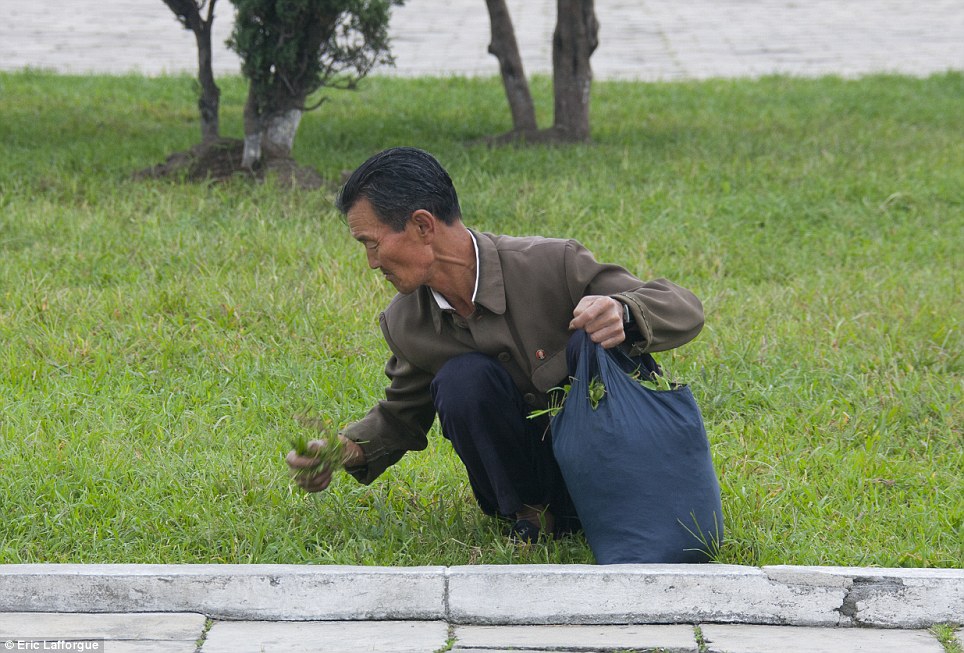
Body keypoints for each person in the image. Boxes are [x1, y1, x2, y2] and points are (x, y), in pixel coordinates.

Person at [286, 146, 704, 541]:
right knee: (462, 379)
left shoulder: (551, 263)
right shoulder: (406, 321)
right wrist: (341, 451)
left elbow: (682, 307)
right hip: (538, 490)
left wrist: (624, 312)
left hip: (619, 473)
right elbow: (401, 416)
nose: (372, 263)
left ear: (422, 225)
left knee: (588, 339)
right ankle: (533, 514)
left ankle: (622, 502)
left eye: (371, 243)